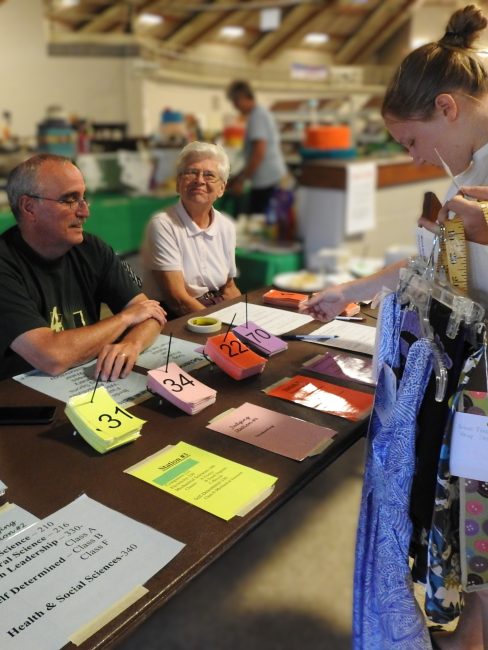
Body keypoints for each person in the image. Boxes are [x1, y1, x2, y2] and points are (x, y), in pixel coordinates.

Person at [299, 5, 488, 649]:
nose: (412, 159)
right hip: (468, 385)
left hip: (480, 380)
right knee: (470, 529)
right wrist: (349, 292)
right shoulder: (467, 176)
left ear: (447, 108)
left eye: (411, 141)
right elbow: (435, 261)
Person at [0, 153, 166, 382]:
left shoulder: (91, 248)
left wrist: (131, 344)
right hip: (23, 400)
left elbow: (150, 314)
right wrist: (125, 319)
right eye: (69, 200)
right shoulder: (5, 263)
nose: (84, 212)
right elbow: (51, 357)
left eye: (83, 198)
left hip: (83, 381)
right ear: (29, 207)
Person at [141, 141, 241, 317]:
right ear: (178, 183)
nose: (199, 180)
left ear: (221, 188)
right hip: (174, 316)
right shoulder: (163, 224)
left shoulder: (226, 227)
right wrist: (221, 327)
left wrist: (245, 319)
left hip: (215, 308)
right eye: (192, 173)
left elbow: (229, 287)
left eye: (209, 175)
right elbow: (177, 300)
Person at [226, 80, 287, 215]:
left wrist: (242, 181)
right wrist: (238, 177)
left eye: (235, 102)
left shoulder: (257, 117)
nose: (235, 107)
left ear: (242, 98)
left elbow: (259, 153)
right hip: (271, 177)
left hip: (266, 181)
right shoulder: (261, 113)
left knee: (259, 220)